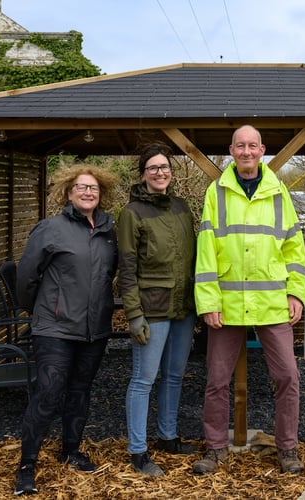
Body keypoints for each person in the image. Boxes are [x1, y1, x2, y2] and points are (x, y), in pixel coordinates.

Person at [192, 125, 305, 475]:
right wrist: (208, 301)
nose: (246, 152)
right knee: (215, 380)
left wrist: (295, 293)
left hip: (272, 301)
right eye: (240, 146)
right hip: (226, 303)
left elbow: (294, 246)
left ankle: (287, 448)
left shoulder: (279, 193)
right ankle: (215, 449)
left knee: (288, 376)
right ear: (231, 150)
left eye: (252, 146)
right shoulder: (217, 191)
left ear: (263, 150)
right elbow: (206, 251)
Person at [14, 164, 118, 495]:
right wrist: (42, 312)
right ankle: (27, 465)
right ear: (68, 192)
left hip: (94, 330)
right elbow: (26, 277)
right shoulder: (51, 229)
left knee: (80, 391)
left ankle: (70, 450)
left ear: (101, 194)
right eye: (81, 188)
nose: (88, 193)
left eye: (94, 189)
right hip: (55, 328)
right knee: (48, 393)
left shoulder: (108, 229)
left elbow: (109, 273)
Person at [118, 143, 197, 476]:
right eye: (153, 168)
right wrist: (134, 315)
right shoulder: (132, 213)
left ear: (171, 172)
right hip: (152, 309)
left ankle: (168, 436)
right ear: (143, 174)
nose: (160, 172)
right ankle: (138, 450)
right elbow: (127, 266)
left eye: (164, 167)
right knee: (143, 380)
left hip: (183, 307)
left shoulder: (181, 208)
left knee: (175, 376)